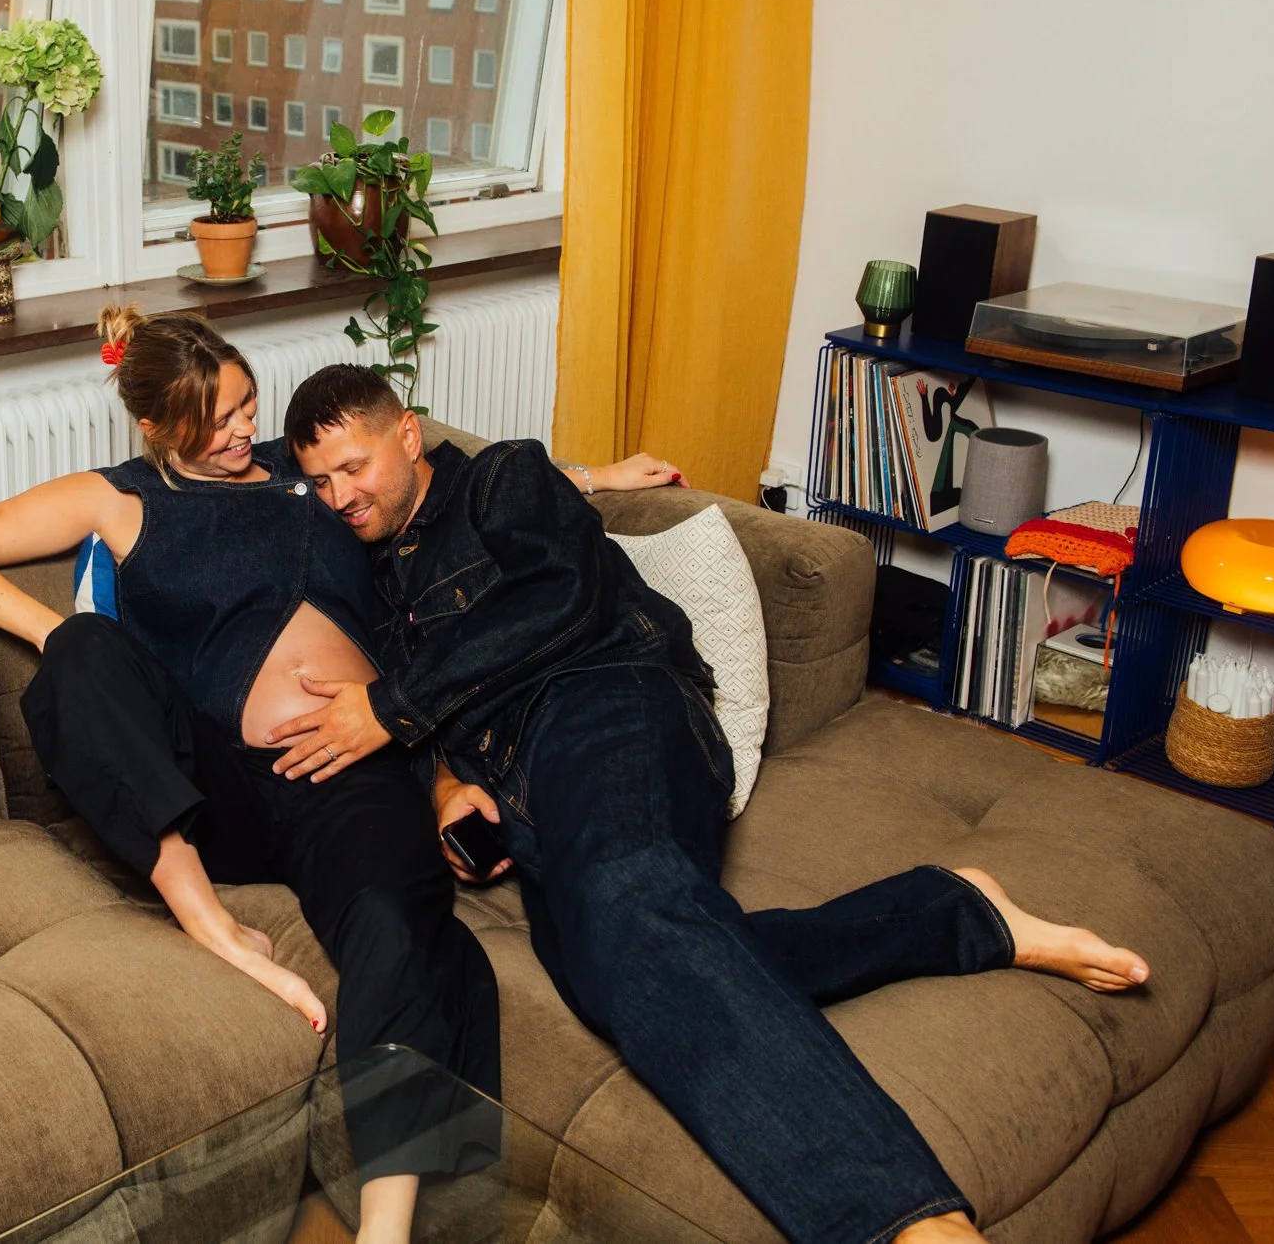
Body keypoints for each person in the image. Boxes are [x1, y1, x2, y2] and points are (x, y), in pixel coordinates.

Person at [269, 364, 1154, 1244]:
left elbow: (559, 600)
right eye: (322, 479)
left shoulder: (501, 477)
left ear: (410, 436)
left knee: (631, 908)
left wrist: (391, 707)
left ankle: (908, 1222)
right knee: (611, 970)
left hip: (604, 702)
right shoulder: (373, 578)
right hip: (516, 780)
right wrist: (444, 785)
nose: (341, 494)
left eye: (356, 466)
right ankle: (954, 911)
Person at [0, 309, 500, 1244]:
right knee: (85, 649)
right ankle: (205, 917)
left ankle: (387, 1230)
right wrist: (53, 629)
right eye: (209, 422)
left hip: (345, 761)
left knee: (400, 916)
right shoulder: (121, 497)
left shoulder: (309, 470)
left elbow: (442, 490)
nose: (236, 433)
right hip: (212, 785)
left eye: (244, 404)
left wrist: (599, 482)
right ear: (154, 429)